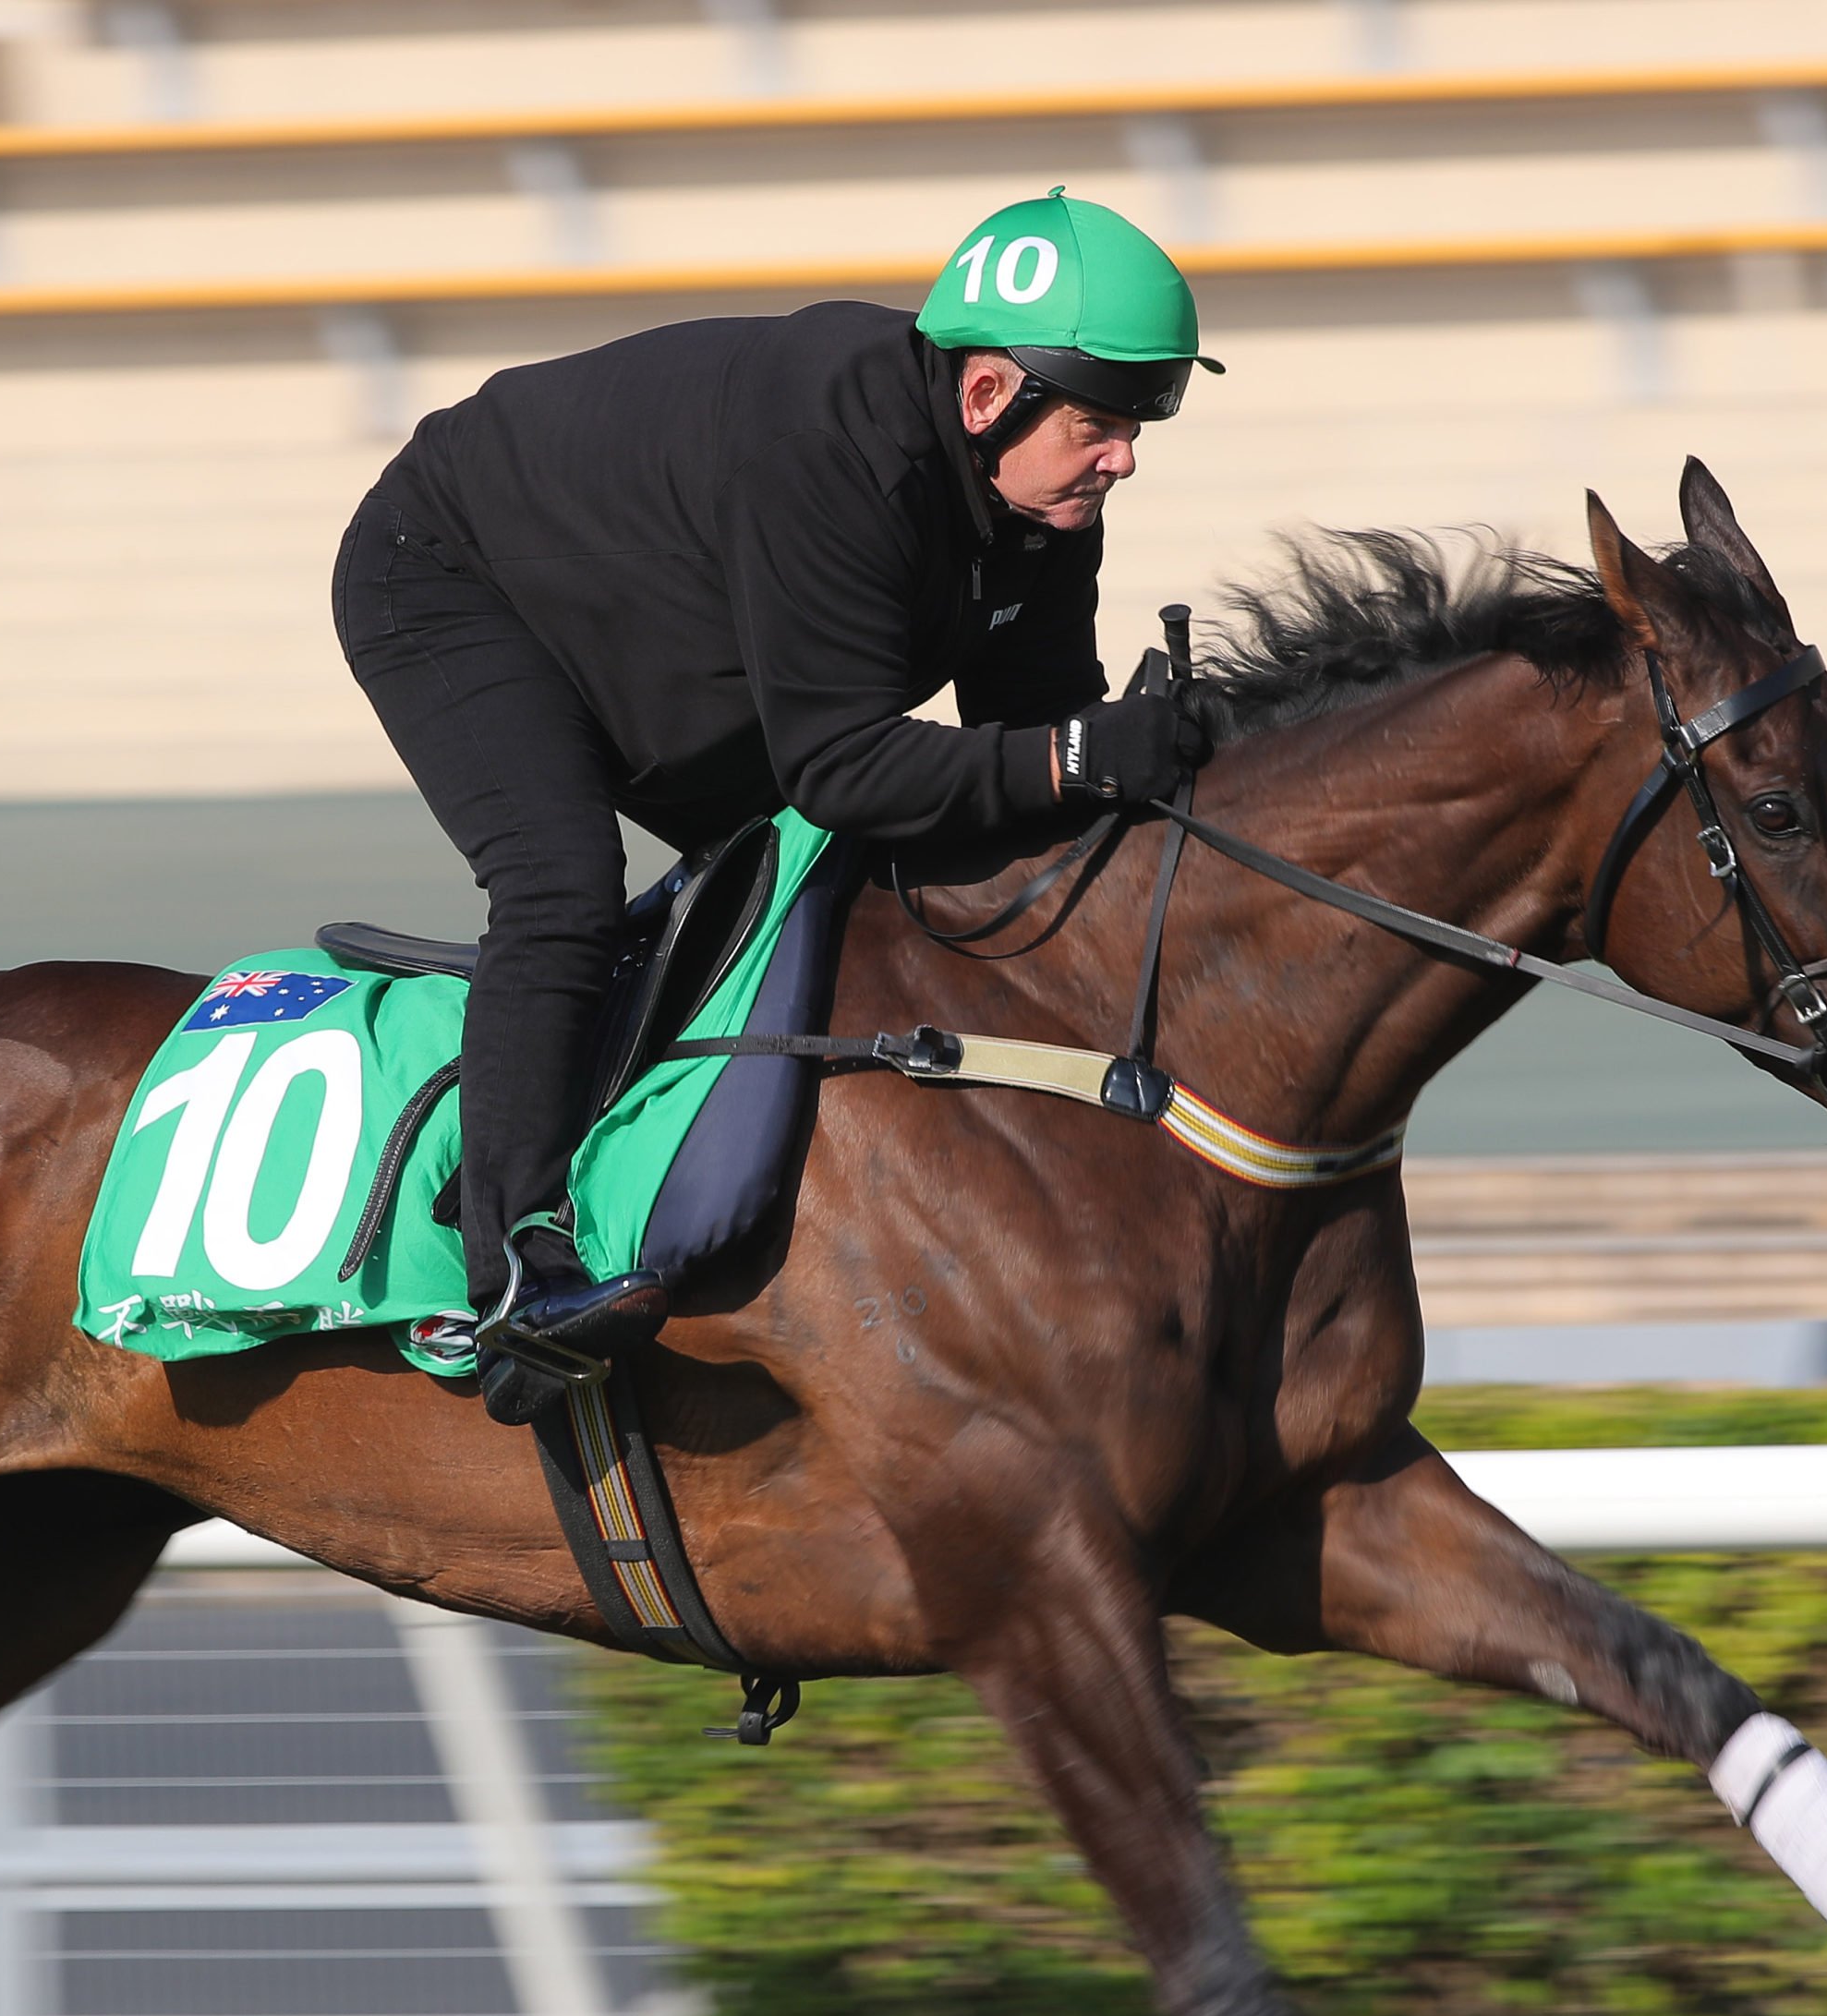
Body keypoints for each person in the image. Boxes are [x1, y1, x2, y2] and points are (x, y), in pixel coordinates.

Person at [333, 188, 1220, 1424]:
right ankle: (509, 1279)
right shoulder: (834, 451)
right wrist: (1080, 756)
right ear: (985, 397)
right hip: (449, 574)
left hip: (664, 623)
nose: (1126, 453)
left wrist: (1119, 761)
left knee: (863, 886)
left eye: (1146, 419)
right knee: (560, 885)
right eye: (1103, 422)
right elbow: (848, 770)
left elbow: (1026, 762)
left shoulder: (1047, 500)